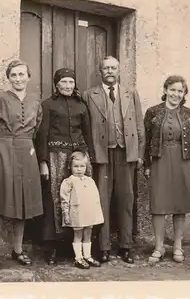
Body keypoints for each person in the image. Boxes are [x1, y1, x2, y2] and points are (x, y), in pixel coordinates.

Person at [0, 60, 43, 269]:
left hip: (27, 152)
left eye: (22, 74)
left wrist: (32, 147)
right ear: (8, 78)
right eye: (14, 75)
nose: (18, 79)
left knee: (23, 203)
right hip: (3, 150)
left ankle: (18, 249)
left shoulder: (35, 101)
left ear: (28, 77)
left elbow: (37, 128)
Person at [82, 56, 145, 264]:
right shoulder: (89, 94)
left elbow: (139, 125)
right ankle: (104, 247)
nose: (110, 71)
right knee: (102, 201)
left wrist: (140, 154)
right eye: (106, 68)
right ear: (100, 71)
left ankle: (126, 246)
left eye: (113, 68)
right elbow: (86, 126)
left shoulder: (130, 93)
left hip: (126, 153)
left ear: (119, 71)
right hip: (102, 154)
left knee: (126, 199)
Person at [35, 68, 95, 265]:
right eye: (64, 82)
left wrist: (89, 158)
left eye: (71, 82)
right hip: (56, 158)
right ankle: (52, 247)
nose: (68, 86)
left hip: (78, 158)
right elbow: (42, 135)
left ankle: (76, 247)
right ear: (57, 84)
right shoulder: (48, 105)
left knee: (80, 200)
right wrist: (43, 162)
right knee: (56, 199)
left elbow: (88, 133)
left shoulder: (81, 106)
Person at [143, 75, 190, 263]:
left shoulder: (189, 114)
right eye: (173, 89)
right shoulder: (152, 112)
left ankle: (177, 246)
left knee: (180, 204)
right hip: (160, 160)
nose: (176, 94)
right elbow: (146, 142)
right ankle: (158, 247)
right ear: (165, 90)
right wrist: (147, 165)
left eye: (180, 91)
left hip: (183, 162)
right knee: (158, 205)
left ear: (184, 94)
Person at [59, 151, 104, 269]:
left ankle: (87, 256)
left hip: (88, 212)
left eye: (82, 166)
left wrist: (96, 213)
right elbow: (64, 199)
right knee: (78, 234)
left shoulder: (90, 181)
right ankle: (78, 258)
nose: (79, 169)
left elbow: (95, 198)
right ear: (70, 166)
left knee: (88, 233)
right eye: (76, 166)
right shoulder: (69, 181)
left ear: (86, 166)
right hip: (77, 213)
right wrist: (66, 214)